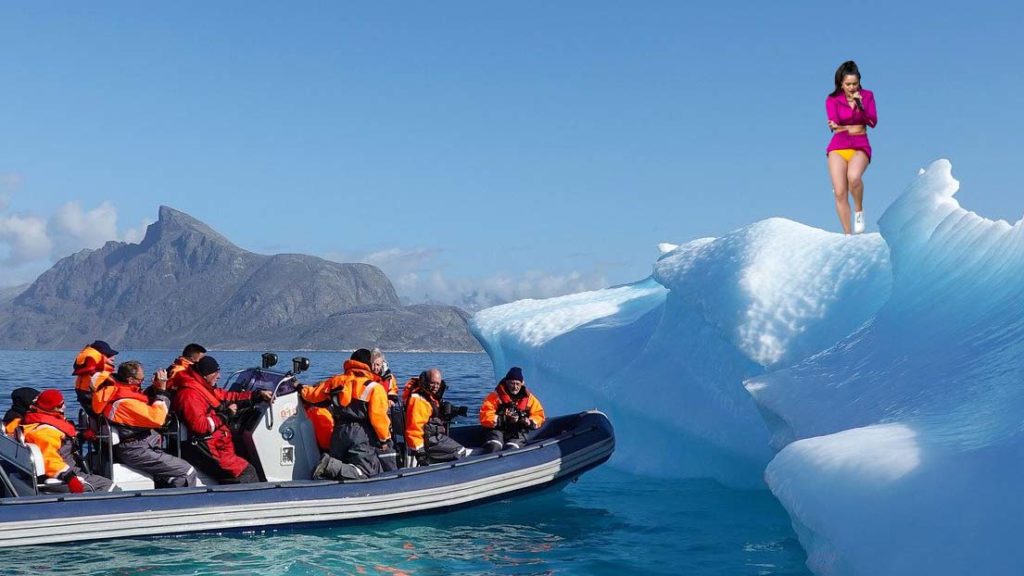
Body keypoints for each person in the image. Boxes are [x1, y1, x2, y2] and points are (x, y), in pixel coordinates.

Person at [92, 360, 197, 488]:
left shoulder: (117, 391)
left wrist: (154, 388)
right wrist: (162, 390)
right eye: (140, 380)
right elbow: (157, 419)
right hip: (135, 448)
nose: (142, 382)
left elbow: (143, 406)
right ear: (131, 380)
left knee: (171, 470)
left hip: (140, 443)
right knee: (186, 471)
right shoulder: (125, 402)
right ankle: (181, 503)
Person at [171, 355, 271, 484]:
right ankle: (250, 500)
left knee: (243, 457)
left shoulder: (201, 387)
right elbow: (200, 427)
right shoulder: (190, 394)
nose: (219, 377)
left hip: (215, 443)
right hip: (204, 447)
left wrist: (257, 395)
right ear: (206, 374)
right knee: (247, 471)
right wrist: (225, 415)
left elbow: (227, 396)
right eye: (216, 373)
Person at [301, 348, 394, 480]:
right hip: (360, 434)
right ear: (369, 364)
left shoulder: (336, 381)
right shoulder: (374, 387)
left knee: (339, 470)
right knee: (366, 472)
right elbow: (378, 418)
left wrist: (299, 387)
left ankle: (329, 474)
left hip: (339, 432)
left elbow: (313, 395)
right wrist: (384, 439)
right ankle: (328, 464)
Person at [20, 389, 114, 493]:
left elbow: (60, 439)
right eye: (61, 405)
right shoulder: (44, 432)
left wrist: (81, 435)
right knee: (109, 486)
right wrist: (70, 478)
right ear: (53, 408)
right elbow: (50, 459)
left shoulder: (38, 422)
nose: (64, 407)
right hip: (62, 476)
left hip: (68, 469)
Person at [826, 60, 878, 235]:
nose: (852, 87)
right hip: (838, 146)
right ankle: (848, 235)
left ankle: (859, 210)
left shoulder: (868, 96)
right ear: (841, 83)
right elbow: (834, 122)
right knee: (840, 192)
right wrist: (835, 125)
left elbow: (872, 122)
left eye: (855, 84)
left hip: (860, 144)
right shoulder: (832, 99)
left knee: (853, 178)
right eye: (848, 84)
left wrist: (861, 105)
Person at [404, 368, 469, 466]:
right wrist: (420, 453)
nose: (436, 387)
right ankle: (434, 465)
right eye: (432, 383)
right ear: (426, 381)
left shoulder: (430, 396)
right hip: (429, 440)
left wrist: (453, 411)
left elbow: (432, 412)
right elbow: (414, 429)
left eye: (438, 384)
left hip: (434, 436)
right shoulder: (419, 400)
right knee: (460, 451)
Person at [479, 367, 545, 453]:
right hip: (498, 430)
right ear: (506, 382)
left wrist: (529, 422)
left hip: (518, 432)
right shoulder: (495, 396)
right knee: (495, 445)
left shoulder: (529, 399)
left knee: (512, 448)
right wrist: (503, 419)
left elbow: (538, 415)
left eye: (517, 384)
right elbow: (485, 415)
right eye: (512, 383)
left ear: (522, 383)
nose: (515, 387)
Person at [73, 340, 118, 415]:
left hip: (87, 401)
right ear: (101, 356)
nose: (113, 358)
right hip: (96, 404)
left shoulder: (86, 373)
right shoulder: (101, 374)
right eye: (109, 355)